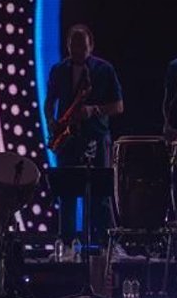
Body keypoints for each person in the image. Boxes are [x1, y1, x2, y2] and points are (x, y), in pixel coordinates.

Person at [44, 24, 124, 251]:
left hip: (96, 138)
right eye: (73, 44)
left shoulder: (104, 70)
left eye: (82, 44)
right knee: (66, 194)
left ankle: (106, 246)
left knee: (101, 194)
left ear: (91, 45)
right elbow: (50, 102)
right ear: (68, 45)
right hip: (68, 139)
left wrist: (94, 110)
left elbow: (119, 106)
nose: (77, 49)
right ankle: (67, 246)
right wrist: (51, 121)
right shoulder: (58, 70)